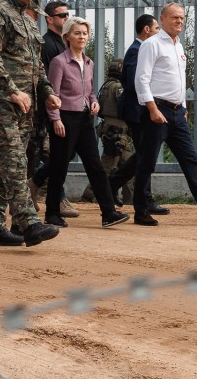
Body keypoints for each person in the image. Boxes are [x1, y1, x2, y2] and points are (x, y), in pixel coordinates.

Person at [0, 0, 63, 247]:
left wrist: (47, 91)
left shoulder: (27, 19)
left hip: (25, 105)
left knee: (1, 164)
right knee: (14, 160)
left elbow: (37, 66)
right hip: (0, 102)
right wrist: (11, 90)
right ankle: (28, 222)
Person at [133, 2, 197, 226]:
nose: (179, 21)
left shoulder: (178, 46)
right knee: (147, 162)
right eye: (174, 17)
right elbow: (141, 79)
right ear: (162, 19)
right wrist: (152, 108)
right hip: (157, 110)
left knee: (191, 161)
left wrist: (184, 106)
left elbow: (178, 81)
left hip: (177, 113)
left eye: (181, 18)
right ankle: (140, 211)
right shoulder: (151, 45)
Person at [44, 17, 129, 228]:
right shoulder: (59, 62)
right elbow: (51, 94)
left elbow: (90, 92)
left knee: (96, 167)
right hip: (64, 118)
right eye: (77, 33)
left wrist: (94, 103)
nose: (82, 37)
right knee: (59, 166)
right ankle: (52, 212)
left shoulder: (89, 63)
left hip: (84, 120)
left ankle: (108, 213)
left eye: (84, 33)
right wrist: (55, 120)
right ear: (66, 37)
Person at [107, 14, 170, 223]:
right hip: (138, 110)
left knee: (144, 154)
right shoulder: (137, 50)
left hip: (141, 109)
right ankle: (144, 198)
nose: (159, 32)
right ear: (146, 30)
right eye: (156, 28)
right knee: (146, 155)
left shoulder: (140, 49)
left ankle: (114, 184)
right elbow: (136, 82)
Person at [26, 0, 80, 217]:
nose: (66, 18)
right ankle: (57, 197)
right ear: (49, 19)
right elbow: (48, 81)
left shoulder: (62, 44)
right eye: (61, 15)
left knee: (63, 153)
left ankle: (36, 184)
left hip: (65, 107)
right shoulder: (48, 44)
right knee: (60, 153)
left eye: (68, 15)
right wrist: (52, 113)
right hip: (52, 109)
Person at [81, 58, 134, 204]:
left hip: (111, 130)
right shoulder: (118, 87)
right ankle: (88, 197)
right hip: (117, 133)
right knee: (106, 167)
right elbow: (126, 106)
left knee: (128, 166)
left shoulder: (106, 86)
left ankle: (131, 199)